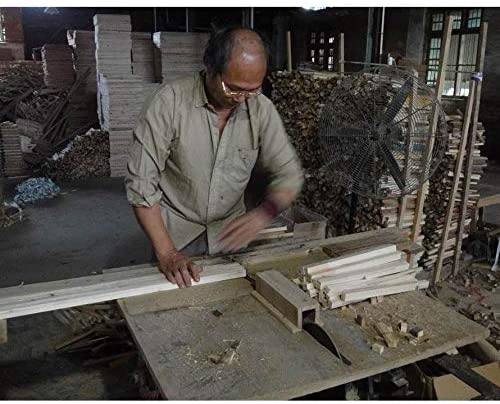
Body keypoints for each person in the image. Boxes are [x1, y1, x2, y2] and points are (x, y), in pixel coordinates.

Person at [125, 27, 304, 288]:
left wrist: (263, 214)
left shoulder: (260, 109)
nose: (242, 100)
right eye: (234, 89)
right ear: (210, 68)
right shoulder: (169, 103)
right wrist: (167, 254)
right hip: (176, 236)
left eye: (252, 90)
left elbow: (290, 175)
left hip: (230, 238)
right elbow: (141, 185)